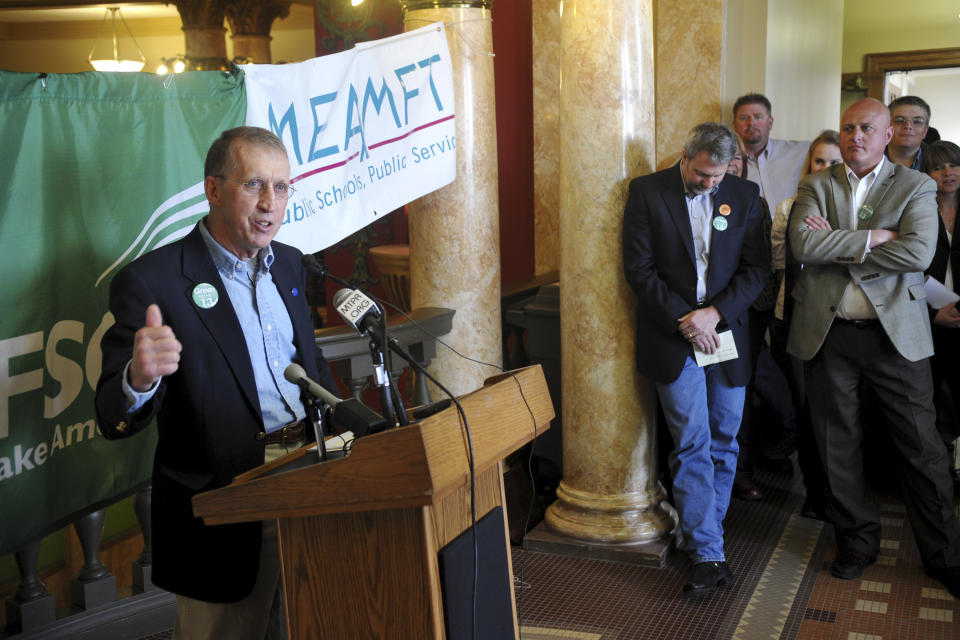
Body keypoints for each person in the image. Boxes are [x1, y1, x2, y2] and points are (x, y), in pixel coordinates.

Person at [95, 126, 339, 638]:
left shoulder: (291, 263)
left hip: (311, 486)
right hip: (224, 508)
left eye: (282, 186)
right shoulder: (153, 282)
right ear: (213, 190)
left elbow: (310, 366)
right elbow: (111, 416)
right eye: (254, 184)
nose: (271, 202)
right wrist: (139, 378)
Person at [786, 98, 960, 597]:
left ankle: (945, 555)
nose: (855, 136)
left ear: (887, 136)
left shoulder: (917, 185)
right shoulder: (816, 184)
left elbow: (917, 252)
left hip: (896, 339)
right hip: (830, 335)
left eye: (866, 128)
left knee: (923, 450)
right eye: (848, 128)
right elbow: (802, 246)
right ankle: (856, 543)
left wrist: (839, 242)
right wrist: (873, 238)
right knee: (836, 445)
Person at [623, 122, 768, 598]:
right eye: (704, 174)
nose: (711, 184)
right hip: (674, 335)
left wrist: (714, 314)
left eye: (718, 176)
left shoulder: (744, 195)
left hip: (726, 333)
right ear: (686, 156)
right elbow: (638, 270)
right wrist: (688, 319)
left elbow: (757, 271)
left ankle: (706, 532)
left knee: (726, 437)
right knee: (692, 441)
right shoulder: (647, 192)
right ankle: (708, 552)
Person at [768, 130, 843, 521]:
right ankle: (815, 494)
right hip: (793, 319)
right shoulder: (787, 207)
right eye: (819, 161)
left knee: (836, 413)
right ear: (808, 165)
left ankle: (840, 495)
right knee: (807, 409)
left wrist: (831, 242)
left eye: (834, 162)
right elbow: (779, 265)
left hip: (840, 324)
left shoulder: (854, 211)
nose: (826, 169)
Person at [921, 140, 960, 469]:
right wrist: (934, 313)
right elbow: (904, 268)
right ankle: (933, 465)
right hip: (926, 316)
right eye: (938, 167)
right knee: (927, 397)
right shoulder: (917, 209)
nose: (948, 173)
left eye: (954, 165)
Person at [732, 93, 809, 216]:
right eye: (744, 118)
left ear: (770, 122)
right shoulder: (730, 166)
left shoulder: (802, 152)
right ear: (734, 125)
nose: (752, 123)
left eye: (758, 117)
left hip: (793, 232)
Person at [886, 95, 931, 170]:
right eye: (899, 120)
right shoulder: (868, 159)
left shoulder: (939, 165)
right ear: (886, 126)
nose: (908, 126)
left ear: (925, 131)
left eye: (917, 121)